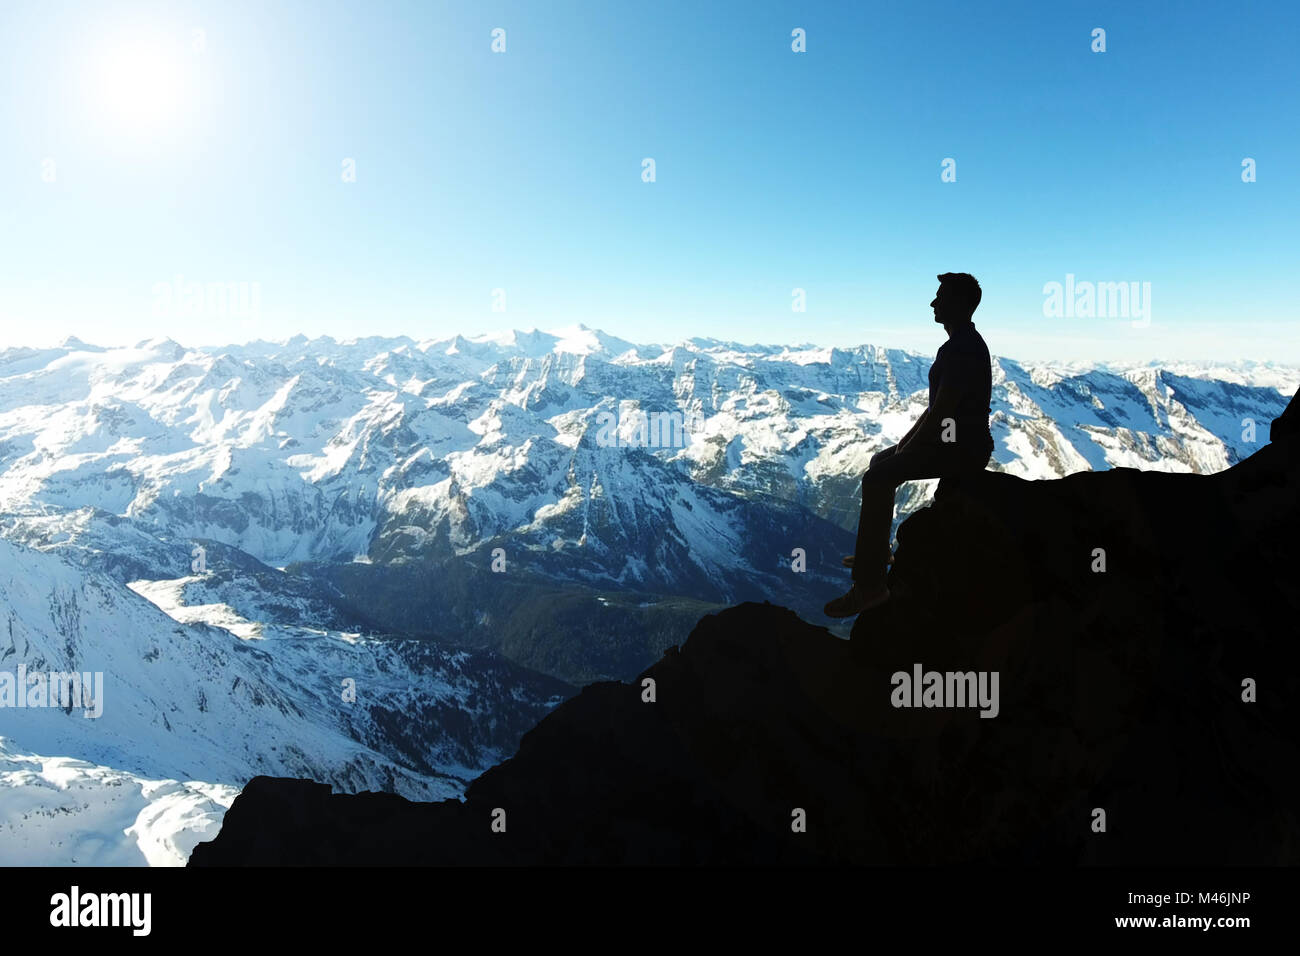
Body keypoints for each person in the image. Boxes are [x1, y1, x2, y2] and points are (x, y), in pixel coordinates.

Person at [824, 273, 995, 618]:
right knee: (879, 463)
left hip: (961, 449)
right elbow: (937, 408)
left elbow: (943, 410)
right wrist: (906, 443)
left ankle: (869, 587)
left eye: (941, 297)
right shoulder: (961, 343)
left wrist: (913, 448)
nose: (933, 303)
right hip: (958, 443)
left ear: (960, 304)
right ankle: (876, 552)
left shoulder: (961, 349)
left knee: (878, 479)